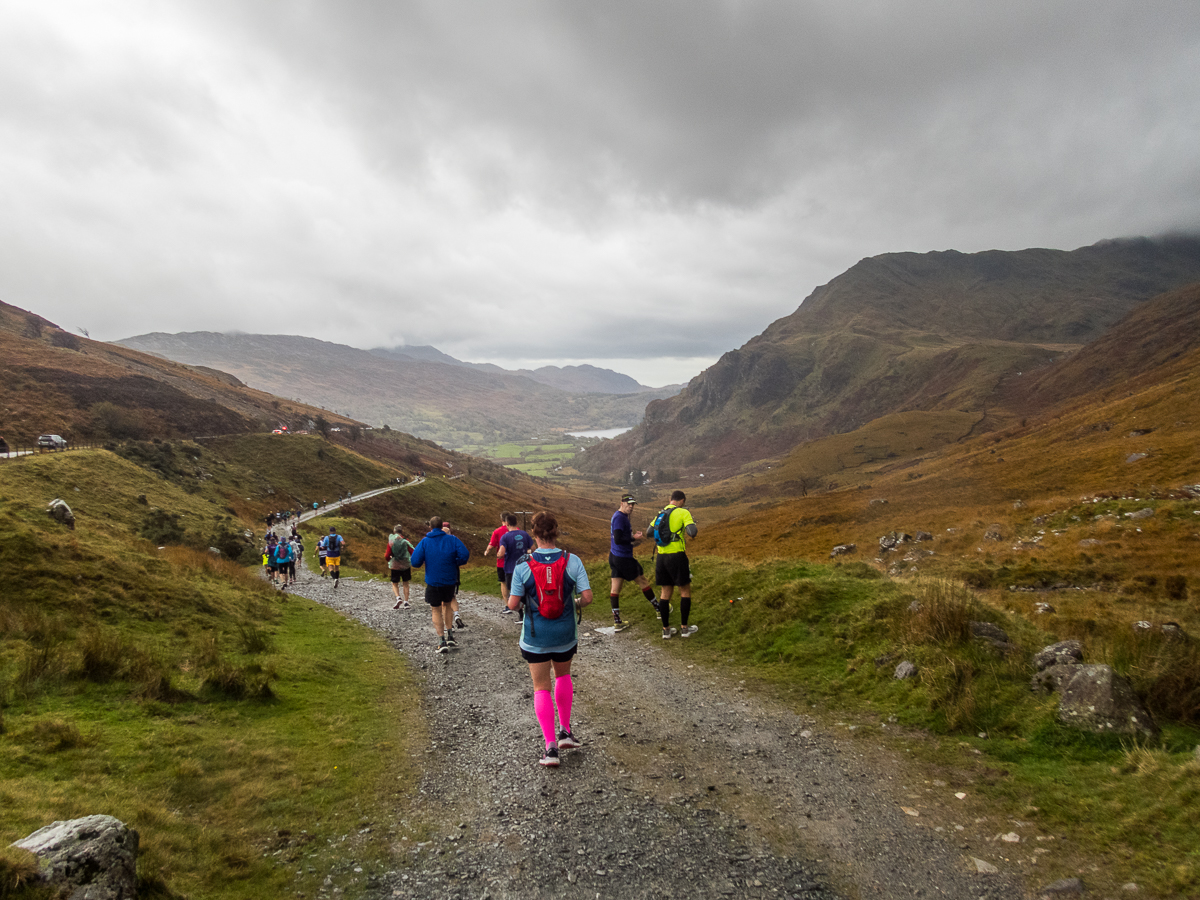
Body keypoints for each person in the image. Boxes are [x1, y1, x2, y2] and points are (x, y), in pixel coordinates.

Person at [508, 511, 593, 767]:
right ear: (556, 531)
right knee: (563, 676)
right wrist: (572, 602)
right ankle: (566, 731)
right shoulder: (572, 560)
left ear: (534, 533)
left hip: (535, 636)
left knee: (541, 686)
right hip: (565, 634)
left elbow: (512, 604)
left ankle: (550, 748)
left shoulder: (524, 564)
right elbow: (587, 598)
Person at [410, 516, 470, 653]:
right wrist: (455, 562)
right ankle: (450, 635)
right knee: (447, 605)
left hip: (433, 580)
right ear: (441, 526)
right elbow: (465, 554)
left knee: (435, 609)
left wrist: (426, 561)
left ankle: (441, 640)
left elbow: (415, 561)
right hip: (449, 580)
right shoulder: (452, 539)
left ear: (430, 527)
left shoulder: (425, 542)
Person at [608, 494, 660, 630]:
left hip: (614, 556)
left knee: (615, 588)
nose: (631, 507)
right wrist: (634, 539)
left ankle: (617, 621)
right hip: (623, 557)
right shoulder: (620, 518)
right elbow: (618, 539)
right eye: (628, 504)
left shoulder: (619, 516)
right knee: (642, 580)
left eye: (633, 504)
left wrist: (631, 536)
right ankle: (659, 609)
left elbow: (618, 537)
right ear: (622, 503)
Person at [654, 490, 699, 639]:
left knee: (665, 593)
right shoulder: (683, 512)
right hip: (677, 556)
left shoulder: (661, 513)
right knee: (685, 590)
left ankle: (666, 630)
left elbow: (649, 531)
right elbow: (692, 532)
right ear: (683, 501)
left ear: (670, 499)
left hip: (661, 557)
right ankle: (684, 629)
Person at [496, 514, 533, 620]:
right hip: (526, 567)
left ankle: (522, 615)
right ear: (516, 522)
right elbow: (533, 548)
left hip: (511, 568)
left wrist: (498, 555)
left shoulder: (505, 537)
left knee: (514, 591)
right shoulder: (524, 534)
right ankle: (528, 611)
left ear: (506, 523)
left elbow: (501, 553)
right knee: (526, 589)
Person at [441, 521, 467, 630]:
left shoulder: (439, 541)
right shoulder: (454, 540)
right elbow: (463, 554)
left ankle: (448, 623)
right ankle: (456, 615)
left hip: (442, 573)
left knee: (444, 601)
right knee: (452, 597)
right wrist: (457, 562)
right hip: (454, 572)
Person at [483, 512, 512, 611]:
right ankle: (517, 604)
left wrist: (486, 551)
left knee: (503, 583)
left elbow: (491, 545)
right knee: (515, 582)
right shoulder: (517, 531)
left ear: (502, 520)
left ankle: (507, 605)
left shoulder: (497, 531)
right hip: (515, 562)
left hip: (502, 562)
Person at [386, 525, 415, 609]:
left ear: (394, 531)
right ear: (401, 532)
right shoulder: (406, 541)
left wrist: (389, 559)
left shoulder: (391, 542)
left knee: (395, 583)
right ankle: (406, 602)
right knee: (405, 583)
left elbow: (388, 554)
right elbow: (411, 551)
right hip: (405, 564)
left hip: (395, 565)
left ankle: (398, 597)